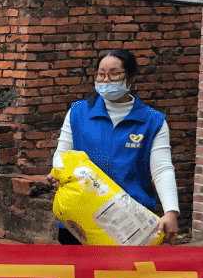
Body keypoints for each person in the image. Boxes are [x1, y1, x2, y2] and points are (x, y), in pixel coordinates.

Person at [50, 48, 179, 244]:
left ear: (130, 78)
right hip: (81, 215)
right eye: (101, 74)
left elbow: (162, 170)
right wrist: (59, 172)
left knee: (123, 274)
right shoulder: (79, 112)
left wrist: (171, 212)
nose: (106, 80)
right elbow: (62, 154)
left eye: (114, 74)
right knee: (79, 273)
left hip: (130, 223)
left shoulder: (152, 121)